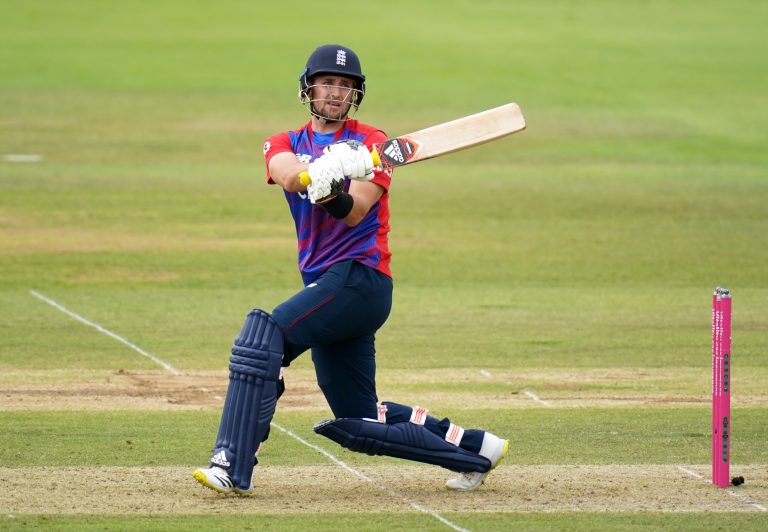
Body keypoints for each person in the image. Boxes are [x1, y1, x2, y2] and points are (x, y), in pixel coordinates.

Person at [193, 44, 508, 496]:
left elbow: (356, 210)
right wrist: (319, 171)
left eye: (345, 86)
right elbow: (287, 174)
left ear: (355, 94)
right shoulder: (283, 142)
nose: (336, 92)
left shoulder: (374, 142)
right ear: (308, 88)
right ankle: (477, 448)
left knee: (262, 339)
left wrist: (332, 189)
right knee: (359, 420)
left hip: (361, 279)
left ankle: (231, 464)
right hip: (330, 287)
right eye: (327, 83)